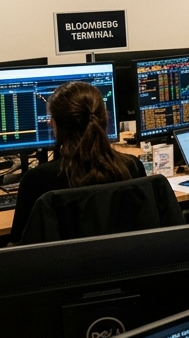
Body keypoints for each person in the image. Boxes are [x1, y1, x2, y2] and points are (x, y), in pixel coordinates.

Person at [11, 82, 145, 236]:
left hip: (63, 260)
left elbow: (18, 243)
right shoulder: (132, 166)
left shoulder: (37, 180)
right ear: (105, 119)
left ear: (53, 124)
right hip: (125, 258)